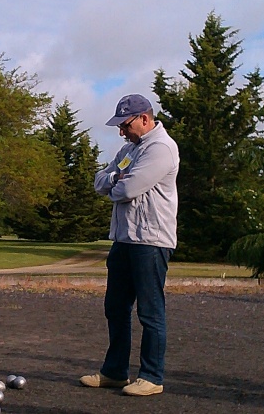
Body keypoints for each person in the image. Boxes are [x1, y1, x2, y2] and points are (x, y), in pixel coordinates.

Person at [80, 94, 179, 396]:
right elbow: (101, 180)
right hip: (124, 239)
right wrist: (116, 179)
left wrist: (116, 182)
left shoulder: (161, 148)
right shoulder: (129, 149)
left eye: (125, 125)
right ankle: (114, 372)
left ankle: (152, 376)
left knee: (150, 312)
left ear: (145, 119)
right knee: (115, 307)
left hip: (150, 240)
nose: (121, 132)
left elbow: (129, 188)